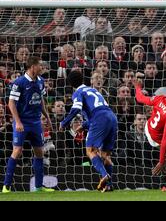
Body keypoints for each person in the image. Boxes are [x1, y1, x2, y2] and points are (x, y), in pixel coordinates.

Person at [59, 71, 118, 192]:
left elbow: (76, 108)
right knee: (105, 154)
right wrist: (85, 125)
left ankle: (104, 175)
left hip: (99, 119)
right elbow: (99, 109)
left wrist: (64, 122)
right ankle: (109, 185)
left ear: (70, 84)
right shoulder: (93, 90)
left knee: (90, 150)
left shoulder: (78, 92)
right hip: (111, 117)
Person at [3, 56, 54, 193]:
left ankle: (38, 187)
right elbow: (11, 103)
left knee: (39, 152)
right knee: (17, 151)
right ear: (32, 67)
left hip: (36, 122)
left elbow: (41, 99)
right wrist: (18, 121)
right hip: (22, 122)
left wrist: (47, 117)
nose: (42, 68)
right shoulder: (19, 82)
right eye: (40, 66)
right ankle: (6, 186)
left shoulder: (41, 81)